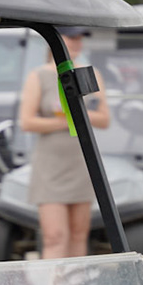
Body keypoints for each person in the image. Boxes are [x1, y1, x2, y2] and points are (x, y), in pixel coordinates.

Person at [16, 26, 110, 259]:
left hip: (81, 161)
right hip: (51, 165)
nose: (77, 43)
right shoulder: (39, 75)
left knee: (79, 233)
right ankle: (53, 282)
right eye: (72, 38)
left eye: (80, 38)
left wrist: (77, 116)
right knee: (55, 236)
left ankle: (75, 282)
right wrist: (66, 119)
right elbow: (27, 122)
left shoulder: (90, 74)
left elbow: (103, 119)